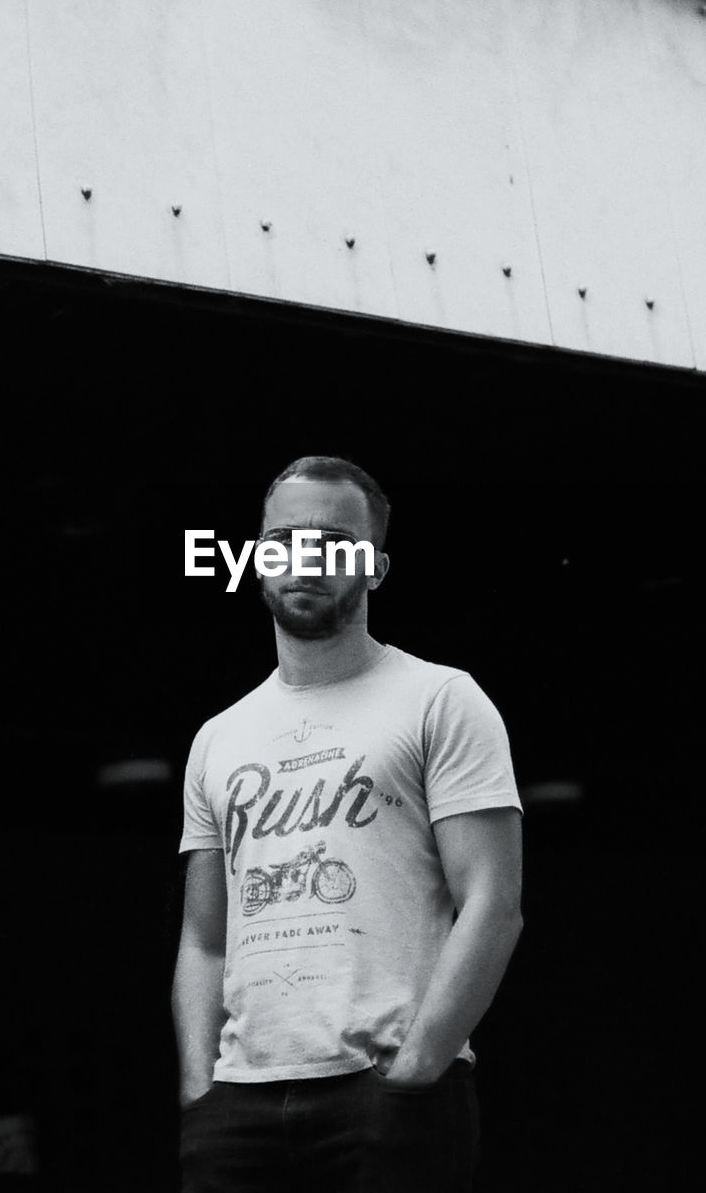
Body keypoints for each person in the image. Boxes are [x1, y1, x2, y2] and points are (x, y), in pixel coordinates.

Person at [173, 456, 523, 1193]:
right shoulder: (218, 737)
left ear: (376, 567)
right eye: (284, 539)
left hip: (388, 1091)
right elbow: (204, 939)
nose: (306, 559)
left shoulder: (440, 700)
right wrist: (199, 1090)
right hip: (236, 1106)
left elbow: (492, 903)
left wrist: (417, 1071)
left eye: (334, 541)